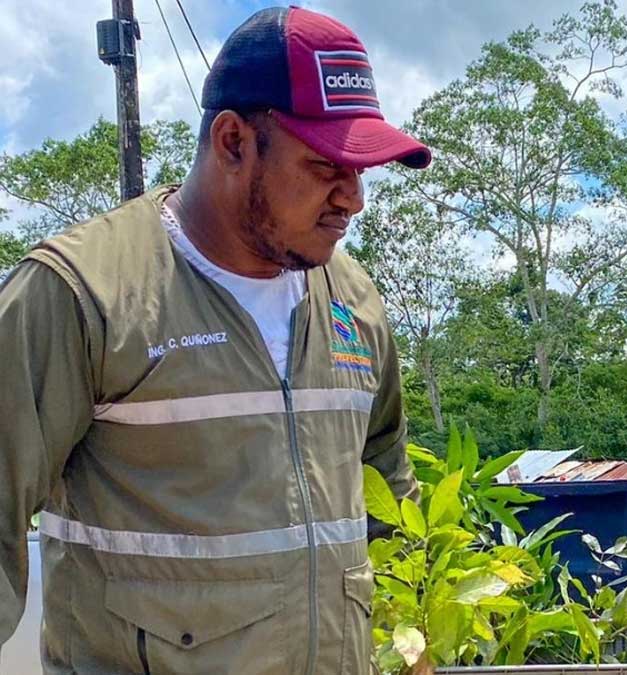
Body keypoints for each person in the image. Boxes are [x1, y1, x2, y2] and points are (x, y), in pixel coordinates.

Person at [0, 7, 429, 674]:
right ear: (232, 141)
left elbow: (386, 483)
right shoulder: (84, 293)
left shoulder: (354, 300)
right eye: (326, 165)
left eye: (362, 170)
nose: (353, 198)